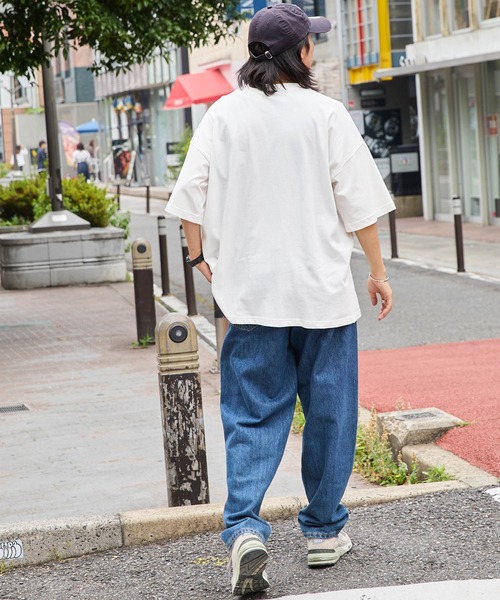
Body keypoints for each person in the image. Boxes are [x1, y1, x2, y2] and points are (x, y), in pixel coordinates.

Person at [166, 4, 395, 596]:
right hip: (321, 295)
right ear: (304, 53)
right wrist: (376, 271)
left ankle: (245, 529)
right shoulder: (325, 115)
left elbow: (189, 196)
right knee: (330, 414)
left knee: (251, 416)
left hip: (250, 299)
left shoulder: (222, 116)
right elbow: (359, 203)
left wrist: (199, 258)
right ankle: (322, 532)